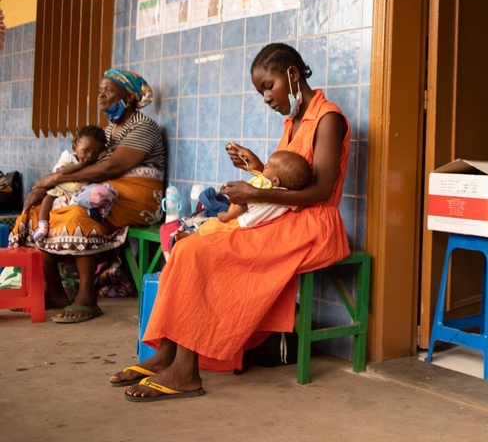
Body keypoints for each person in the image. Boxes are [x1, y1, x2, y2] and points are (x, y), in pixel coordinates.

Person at [110, 42, 351, 401]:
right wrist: (256, 168)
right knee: (190, 240)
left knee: (201, 253)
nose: (266, 97)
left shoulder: (328, 118)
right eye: (260, 92)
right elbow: (285, 179)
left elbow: (319, 191)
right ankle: (167, 352)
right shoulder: (294, 121)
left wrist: (255, 194)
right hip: (285, 217)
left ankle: (186, 371)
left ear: (292, 74)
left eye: (268, 86)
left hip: (313, 227)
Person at [10, 69, 166, 323]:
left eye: (108, 90)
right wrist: (44, 187)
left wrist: (55, 179)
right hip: (105, 190)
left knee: (77, 214)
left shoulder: (143, 126)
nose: (101, 96)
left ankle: (87, 297)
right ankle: (55, 291)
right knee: (38, 212)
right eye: (99, 91)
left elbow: (111, 167)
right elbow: (84, 167)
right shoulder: (107, 131)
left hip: (139, 197)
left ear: (128, 96)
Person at [199, 149, 312, 234]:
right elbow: (298, 208)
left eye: (268, 166)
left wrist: (227, 216)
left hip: (242, 221)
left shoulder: (265, 186)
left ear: (275, 181)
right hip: (253, 224)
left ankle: (190, 235)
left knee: (210, 227)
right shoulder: (289, 197)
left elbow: (244, 206)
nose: (265, 166)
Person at [33, 125, 108, 241]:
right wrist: (82, 165)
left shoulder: (94, 163)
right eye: (86, 151)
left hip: (78, 194)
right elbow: (62, 172)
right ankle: (43, 225)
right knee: (47, 199)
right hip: (62, 189)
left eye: (95, 153)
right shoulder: (68, 156)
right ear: (74, 147)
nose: (89, 156)